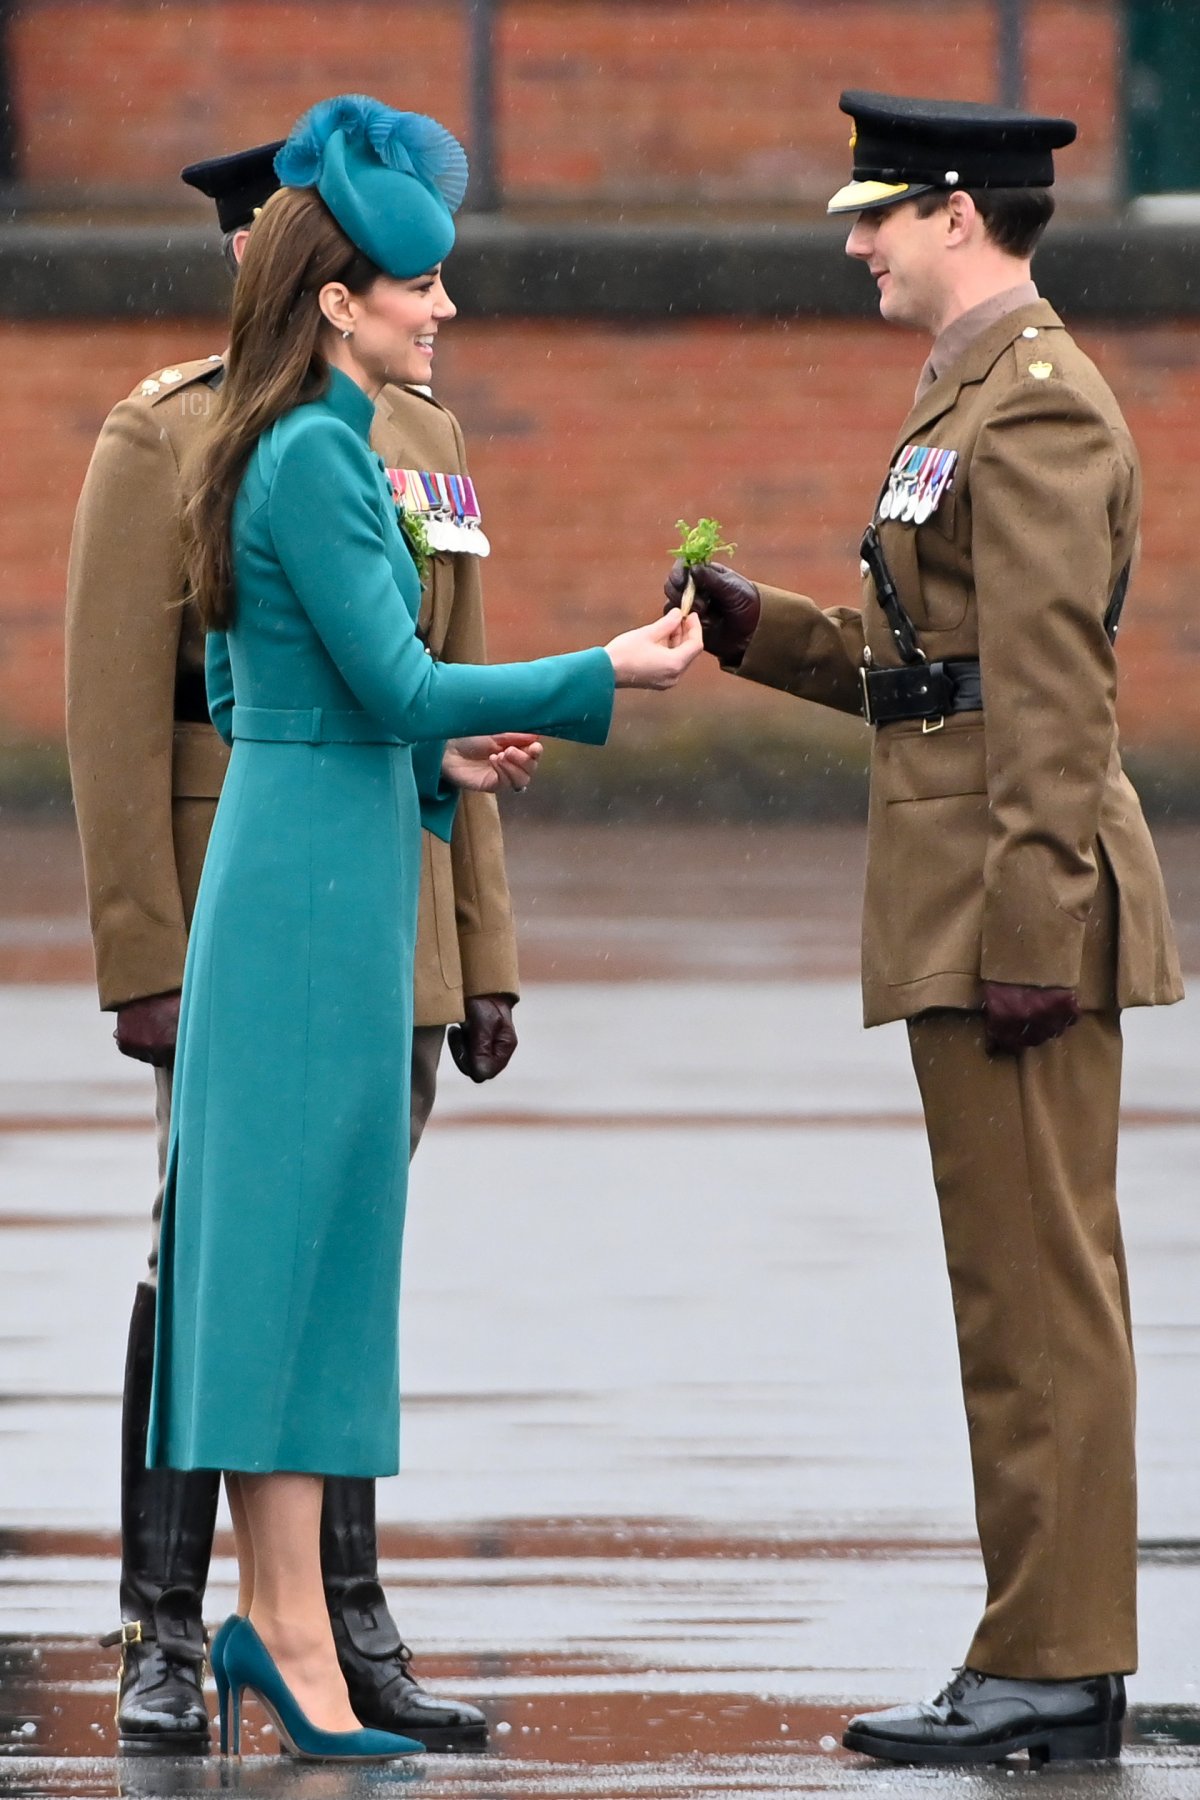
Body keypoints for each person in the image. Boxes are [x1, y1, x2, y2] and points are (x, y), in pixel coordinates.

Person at [143, 94, 700, 1763]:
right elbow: (386, 677)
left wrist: (433, 753)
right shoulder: (315, 449)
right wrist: (610, 671)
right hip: (310, 889)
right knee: (278, 1275)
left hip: (318, 848)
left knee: (309, 1274)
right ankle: (287, 1643)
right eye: (418, 285)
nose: (443, 307)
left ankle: (287, 1635)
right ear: (338, 297)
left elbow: (280, 694)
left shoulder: (293, 438)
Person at [668, 89, 1182, 1769]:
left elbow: (1050, 691)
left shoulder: (1031, 406)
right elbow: (932, 663)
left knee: (1041, 1297)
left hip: (1008, 899)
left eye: (878, 212)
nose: (854, 240)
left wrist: (1034, 920)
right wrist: (762, 635)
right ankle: (1035, 1646)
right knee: (1010, 1294)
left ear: (960, 213)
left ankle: (1053, 1660)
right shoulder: (970, 391)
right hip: (971, 883)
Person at [66, 137, 525, 1752]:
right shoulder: (175, 426)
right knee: (205, 1265)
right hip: (238, 909)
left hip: (380, 910)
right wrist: (142, 951)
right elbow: (116, 720)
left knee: (339, 1270)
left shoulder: (426, 433)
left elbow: (443, 692)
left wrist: (481, 950)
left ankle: (342, 1621)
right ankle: (164, 1627)